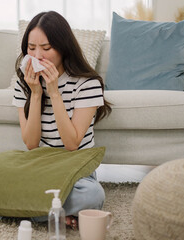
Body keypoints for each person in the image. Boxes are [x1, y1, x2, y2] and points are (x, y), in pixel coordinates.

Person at [12, 11, 112, 229]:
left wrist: (54, 93)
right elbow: (30, 143)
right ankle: (53, 213)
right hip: (40, 167)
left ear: (63, 47)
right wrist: (36, 93)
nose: (37, 56)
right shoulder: (24, 84)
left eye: (46, 48)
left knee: (92, 195)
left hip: (75, 171)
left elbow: (72, 144)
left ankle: (17, 211)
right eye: (31, 48)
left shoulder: (87, 84)